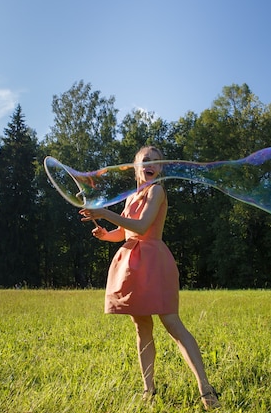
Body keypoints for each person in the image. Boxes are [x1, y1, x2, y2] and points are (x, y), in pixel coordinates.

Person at [79, 146, 220, 410]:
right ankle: (149, 389)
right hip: (133, 264)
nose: (151, 164)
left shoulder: (157, 191)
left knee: (172, 323)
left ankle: (205, 387)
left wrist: (104, 212)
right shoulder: (132, 197)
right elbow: (124, 232)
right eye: (146, 160)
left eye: (157, 162)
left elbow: (143, 226)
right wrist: (105, 234)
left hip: (154, 261)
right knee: (141, 327)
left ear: (161, 169)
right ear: (136, 166)